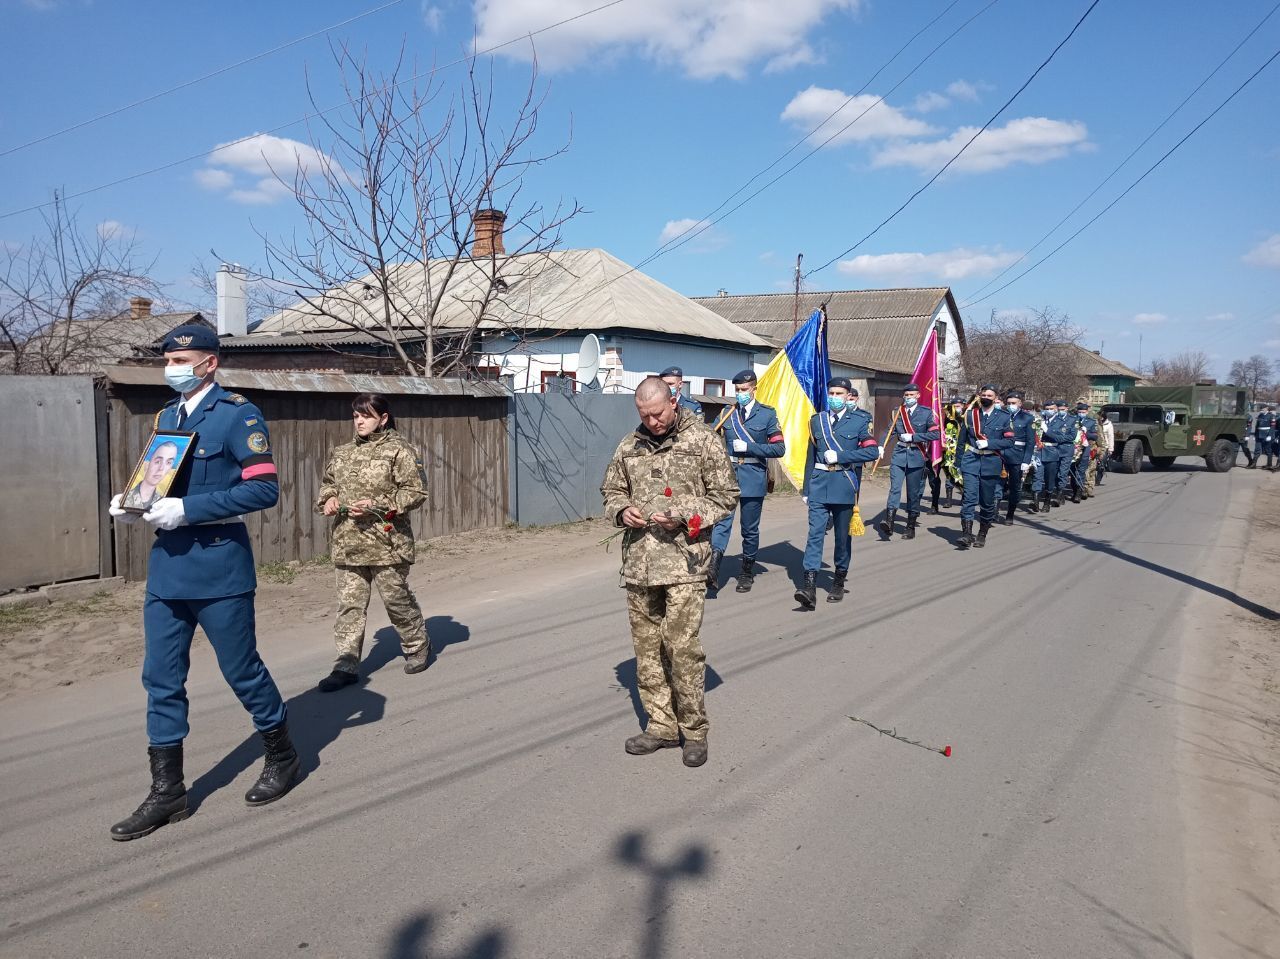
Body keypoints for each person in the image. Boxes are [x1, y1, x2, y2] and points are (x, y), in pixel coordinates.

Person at [106, 324, 297, 841]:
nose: (172, 368)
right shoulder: (169, 416)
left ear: (209, 362)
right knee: (161, 680)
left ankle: (283, 754)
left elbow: (264, 490)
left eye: (182, 359)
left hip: (218, 567)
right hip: (168, 570)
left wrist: (189, 510)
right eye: (167, 360)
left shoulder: (238, 415)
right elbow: (157, 479)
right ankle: (168, 792)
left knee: (242, 671)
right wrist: (134, 504)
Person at [600, 376, 738, 768]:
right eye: (644, 415)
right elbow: (611, 491)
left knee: (681, 650)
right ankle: (661, 726)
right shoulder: (629, 445)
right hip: (640, 566)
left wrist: (685, 516)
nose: (653, 421)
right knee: (647, 653)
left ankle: (694, 732)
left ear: (673, 402)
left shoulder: (703, 440)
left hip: (686, 564)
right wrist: (621, 511)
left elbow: (725, 496)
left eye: (658, 413)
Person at [315, 393, 431, 691]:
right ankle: (346, 663)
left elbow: (416, 492)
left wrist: (378, 503)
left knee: (396, 599)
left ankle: (416, 644)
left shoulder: (400, 450)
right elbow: (328, 484)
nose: (359, 421)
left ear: (383, 418)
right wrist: (329, 499)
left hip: (387, 543)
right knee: (349, 606)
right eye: (356, 416)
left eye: (366, 416)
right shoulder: (342, 452)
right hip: (348, 541)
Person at [795, 377, 879, 608]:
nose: (834, 398)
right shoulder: (817, 421)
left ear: (848, 396)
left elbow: (871, 453)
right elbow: (810, 456)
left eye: (839, 394)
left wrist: (842, 457)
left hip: (844, 484)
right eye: (831, 393)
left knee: (842, 538)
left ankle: (839, 580)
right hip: (819, 484)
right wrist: (806, 487)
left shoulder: (860, 421)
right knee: (815, 534)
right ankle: (809, 587)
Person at [709, 369, 785, 594]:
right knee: (721, 523)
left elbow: (779, 448)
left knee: (749, 529)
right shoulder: (727, 412)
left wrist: (750, 447)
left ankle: (746, 571)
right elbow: (710, 436)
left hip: (753, 474)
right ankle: (714, 568)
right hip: (729, 475)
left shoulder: (767, 415)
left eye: (744, 389)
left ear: (754, 389)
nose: (740, 394)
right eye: (737, 390)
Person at [879, 383, 941, 540]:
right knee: (894, 488)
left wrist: (914, 437)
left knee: (913, 493)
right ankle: (889, 522)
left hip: (916, 454)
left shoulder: (926, 414)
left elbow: (935, 435)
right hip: (899, 454)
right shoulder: (898, 412)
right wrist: (880, 446)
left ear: (918, 396)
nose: (908, 398)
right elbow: (889, 431)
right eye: (906, 395)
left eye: (911, 395)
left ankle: (910, 526)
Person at [955, 384, 1013, 548]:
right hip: (971, 460)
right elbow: (961, 441)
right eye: (983, 394)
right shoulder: (970, 415)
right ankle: (966, 534)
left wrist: (990, 443)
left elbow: (1009, 441)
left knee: (987, 502)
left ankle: (982, 533)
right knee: (969, 499)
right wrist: (958, 463)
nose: (986, 397)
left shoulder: (1003, 417)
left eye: (989, 395)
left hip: (991, 462)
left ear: (995, 398)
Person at [997, 390, 1035, 524]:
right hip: (1000, 454)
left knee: (1014, 486)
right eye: (1008, 403)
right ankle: (995, 510)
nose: (1010, 405)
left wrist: (1026, 460)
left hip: (1017, 456)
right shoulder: (1000, 415)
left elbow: (1031, 442)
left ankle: (1010, 513)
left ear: (1020, 403)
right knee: (997, 483)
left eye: (1013, 403)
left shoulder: (1027, 418)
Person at [122, 440, 180, 510]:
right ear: (146, 465)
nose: (161, 468)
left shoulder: (162, 502)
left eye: (168, 462)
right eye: (157, 461)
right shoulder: (127, 499)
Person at [1032, 401, 1062, 511]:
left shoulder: (1060, 422)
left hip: (1052, 451)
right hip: (1038, 451)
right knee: (1037, 474)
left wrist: (1047, 430)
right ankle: (1035, 500)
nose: (1049, 410)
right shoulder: (1040, 419)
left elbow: (1060, 438)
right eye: (1047, 408)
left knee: (1049, 477)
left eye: (1051, 408)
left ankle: (1047, 501)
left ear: (1056, 409)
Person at [1071, 402, 1099, 501]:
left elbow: (1095, 436)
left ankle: (1078, 492)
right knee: (1072, 470)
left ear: (1087, 412)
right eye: (1080, 412)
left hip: (1085, 449)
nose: (1081, 413)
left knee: (1081, 471)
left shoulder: (1091, 422)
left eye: (1083, 412)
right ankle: (1074, 491)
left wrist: (1086, 432)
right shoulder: (1072, 420)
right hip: (1072, 449)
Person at [1254, 404, 1277, 471]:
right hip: (1259, 435)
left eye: (1263, 409)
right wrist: (1255, 435)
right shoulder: (1260, 415)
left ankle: (1269, 465)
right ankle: (1253, 463)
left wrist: (1270, 435)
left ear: (1267, 408)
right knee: (1257, 449)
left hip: (1267, 435)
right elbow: (1257, 426)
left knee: (1268, 450)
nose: (1262, 410)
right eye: (1261, 409)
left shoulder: (1271, 416)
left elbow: (1272, 426)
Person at [1095, 411, 1115, 486]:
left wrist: (1110, 449)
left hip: (1104, 447)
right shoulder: (1095, 423)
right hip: (1095, 446)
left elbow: (1111, 437)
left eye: (1100, 417)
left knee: (1101, 465)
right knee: (1093, 464)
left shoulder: (1108, 424)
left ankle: (1098, 480)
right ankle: (1091, 480)